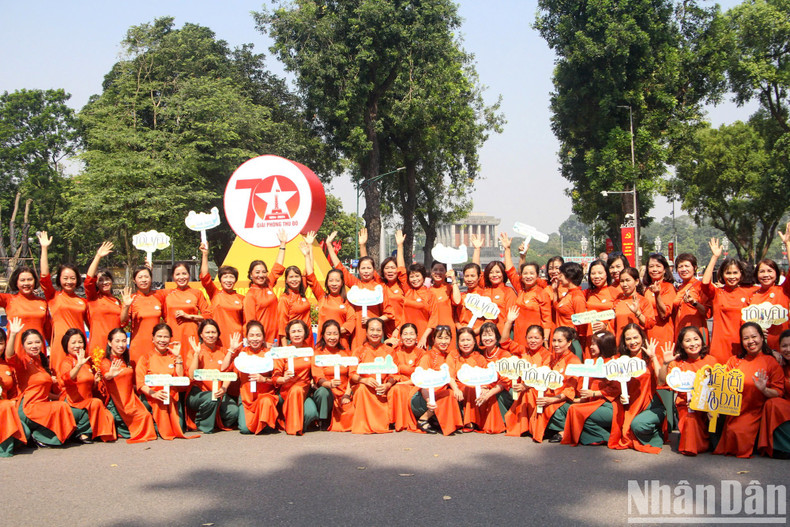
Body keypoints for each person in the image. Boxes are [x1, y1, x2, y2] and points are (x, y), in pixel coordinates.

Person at [713, 322, 783, 458]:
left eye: (754, 337)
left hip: (755, 411)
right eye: (746, 338)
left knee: (739, 433)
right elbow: (720, 386)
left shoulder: (771, 362)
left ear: (762, 338)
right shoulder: (734, 361)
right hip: (734, 411)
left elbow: (778, 392)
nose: (751, 341)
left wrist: (764, 390)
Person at [6, 319, 76, 447]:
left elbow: (43, 392)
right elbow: (9, 355)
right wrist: (13, 335)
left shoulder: (41, 362)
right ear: (23, 345)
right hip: (28, 406)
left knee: (62, 406)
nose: (34, 345)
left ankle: (40, 436)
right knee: (59, 408)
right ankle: (40, 437)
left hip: (41, 404)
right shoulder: (23, 362)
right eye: (30, 343)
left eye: (37, 342)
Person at [326, 230, 392, 349]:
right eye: (363, 268)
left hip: (374, 334)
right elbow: (340, 268)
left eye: (369, 268)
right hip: (356, 333)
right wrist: (329, 245)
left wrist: (374, 320)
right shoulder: (355, 285)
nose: (366, 271)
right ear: (359, 270)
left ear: (373, 270)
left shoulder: (379, 288)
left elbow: (389, 314)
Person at [658, 326, 717, 455]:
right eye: (688, 341)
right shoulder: (677, 363)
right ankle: (690, 443)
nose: (693, 344)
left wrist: (709, 406)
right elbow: (662, 382)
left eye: (696, 339)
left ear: (702, 341)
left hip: (707, 406)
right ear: (682, 345)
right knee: (690, 420)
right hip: (685, 405)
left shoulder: (711, 361)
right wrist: (665, 364)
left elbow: (717, 387)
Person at [608, 324, 666, 454]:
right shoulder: (620, 360)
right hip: (628, 405)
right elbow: (616, 386)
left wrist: (653, 357)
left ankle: (657, 434)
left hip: (650, 405)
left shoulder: (650, 357)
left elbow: (661, 381)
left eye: (636, 337)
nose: (633, 342)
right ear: (624, 341)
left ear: (642, 338)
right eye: (628, 339)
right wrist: (621, 395)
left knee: (637, 426)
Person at [37, 231, 89, 371]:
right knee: (60, 376)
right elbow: (44, 276)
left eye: (72, 278)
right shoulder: (53, 296)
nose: (69, 281)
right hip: (60, 345)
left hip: (79, 344)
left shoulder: (83, 302)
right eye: (65, 278)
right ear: (59, 279)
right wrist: (44, 248)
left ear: (77, 279)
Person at [701, 238, 758, 363]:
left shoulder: (749, 292)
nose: (732, 277)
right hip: (719, 347)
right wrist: (714, 257)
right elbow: (705, 283)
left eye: (735, 273)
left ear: (741, 274)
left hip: (742, 345)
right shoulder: (717, 293)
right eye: (728, 273)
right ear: (722, 275)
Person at [56, 328, 117, 443]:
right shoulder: (67, 362)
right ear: (66, 345)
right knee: (96, 403)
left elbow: (89, 388)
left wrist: (95, 381)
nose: (77, 345)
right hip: (72, 402)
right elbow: (67, 378)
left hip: (86, 401)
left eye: (80, 342)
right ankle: (82, 432)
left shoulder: (87, 362)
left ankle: (89, 431)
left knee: (109, 415)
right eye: (73, 343)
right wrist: (78, 365)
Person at [135, 324, 193, 440]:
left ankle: (159, 426)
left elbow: (180, 378)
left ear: (170, 339)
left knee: (179, 428)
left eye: (166, 337)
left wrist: (179, 358)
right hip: (151, 397)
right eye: (159, 336)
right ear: (153, 339)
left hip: (172, 398)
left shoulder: (174, 356)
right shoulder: (145, 357)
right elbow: (140, 383)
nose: (162, 340)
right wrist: (154, 394)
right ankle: (155, 424)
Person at [562, 331, 620, 446]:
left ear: (603, 345)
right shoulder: (592, 362)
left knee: (576, 411)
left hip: (609, 405)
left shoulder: (613, 363)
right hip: (593, 403)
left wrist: (593, 394)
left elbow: (615, 390)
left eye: (594, 344)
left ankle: (606, 437)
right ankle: (597, 436)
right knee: (567, 407)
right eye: (591, 344)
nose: (591, 346)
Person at [525, 326, 581, 443]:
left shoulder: (573, 361)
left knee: (548, 407)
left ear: (569, 343)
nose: (556, 344)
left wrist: (550, 400)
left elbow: (569, 392)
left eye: (560, 341)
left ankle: (567, 430)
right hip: (552, 396)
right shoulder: (553, 358)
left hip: (565, 400)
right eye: (554, 341)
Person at [100, 328, 157, 443]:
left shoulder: (126, 361)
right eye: (117, 341)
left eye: (123, 341)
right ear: (110, 343)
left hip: (131, 399)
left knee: (145, 415)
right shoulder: (106, 362)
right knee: (143, 418)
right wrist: (111, 374)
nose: (121, 345)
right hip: (117, 403)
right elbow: (107, 375)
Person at [186, 319, 240, 433]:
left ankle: (215, 421)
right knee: (211, 398)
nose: (211, 335)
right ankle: (204, 426)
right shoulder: (195, 351)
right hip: (199, 394)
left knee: (234, 412)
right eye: (207, 332)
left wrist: (224, 389)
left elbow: (229, 373)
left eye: (213, 332)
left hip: (220, 392)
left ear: (218, 334)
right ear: (201, 334)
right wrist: (196, 355)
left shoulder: (223, 351)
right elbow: (191, 375)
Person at [303, 235, 356, 349]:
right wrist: (309, 250)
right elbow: (311, 276)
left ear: (342, 283)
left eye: (337, 280)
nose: (334, 283)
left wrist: (333, 333)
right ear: (327, 283)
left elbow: (351, 322)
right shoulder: (322, 297)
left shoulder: (347, 302)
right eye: (331, 280)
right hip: (323, 347)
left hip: (342, 346)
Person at [410, 325, 464, 435]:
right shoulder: (427, 356)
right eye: (440, 338)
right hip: (423, 395)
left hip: (441, 393)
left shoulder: (451, 355)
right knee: (447, 394)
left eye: (446, 338)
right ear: (434, 339)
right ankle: (423, 419)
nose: (443, 341)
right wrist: (429, 401)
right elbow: (422, 383)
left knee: (449, 393)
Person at [227, 321, 277, 435]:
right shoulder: (242, 353)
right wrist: (231, 350)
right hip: (246, 398)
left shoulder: (270, 353)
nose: (255, 339)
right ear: (247, 338)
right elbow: (225, 368)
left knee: (266, 406)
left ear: (263, 337)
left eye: (258, 335)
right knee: (245, 429)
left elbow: (277, 379)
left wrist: (264, 379)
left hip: (265, 396)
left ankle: (267, 419)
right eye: (252, 335)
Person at [502, 234, 552, 348]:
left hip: (535, 339)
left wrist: (545, 339)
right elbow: (510, 271)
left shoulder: (542, 293)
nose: (528, 276)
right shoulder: (521, 289)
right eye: (525, 273)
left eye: (531, 273)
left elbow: (546, 319)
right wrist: (507, 249)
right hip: (519, 337)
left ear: (537, 275)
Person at [349, 318, 395, 434]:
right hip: (365, 386)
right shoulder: (359, 351)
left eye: (378, 330)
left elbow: (394, 374)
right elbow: (352, 373)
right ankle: (363, 425)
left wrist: (387, 385)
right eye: (372, 330)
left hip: (382, 388)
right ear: (366, 332)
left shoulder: (389, 351)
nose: (375, 333)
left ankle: (381, 423)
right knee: (361, 390)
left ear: (383, 332)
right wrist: (364, 380)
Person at [272, 320, 318, 435]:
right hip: (286, 391)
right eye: (293, 332)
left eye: (299, 331)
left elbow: (316, 371)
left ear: (305, 333)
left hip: (304, 391)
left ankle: (298, 423)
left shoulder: (310, 351)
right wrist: (283, 378)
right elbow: (275, 376)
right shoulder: (283, 352)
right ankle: (293, 423)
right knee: (294, 390)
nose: (296, 334)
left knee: (311, 413)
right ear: (289, 334)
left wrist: (315, 380)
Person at [746, 229, 790, 350]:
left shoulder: (783, 290)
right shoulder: (752, 295)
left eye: (770, 271)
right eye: (762, 271)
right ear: (756, 274)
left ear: (777, 274)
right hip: (760, 350)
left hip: (784, 348)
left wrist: (787, 244)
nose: (766, 275)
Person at [243, 229, 287, 347]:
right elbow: (250, 323)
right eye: (257, 272)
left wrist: (282, 245)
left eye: (263, 272)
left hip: (276, 337)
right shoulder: (250, 296)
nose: (261, 275)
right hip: (263, 341)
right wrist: (260, 342)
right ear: (251, 275)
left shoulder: (268, 284)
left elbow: (277, 268)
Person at [311, 320, 355, 432]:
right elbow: (318, 377)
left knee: (351, 414)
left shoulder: (345, 353)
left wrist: (346, 394)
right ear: (323, 335)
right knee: (323, 392)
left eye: (335, 334)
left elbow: (352, 375)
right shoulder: (318, 353)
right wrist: (329, 384)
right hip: (328, 392)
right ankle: (324, 419)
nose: (332, 337)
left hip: (344, 393)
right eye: (329, 334)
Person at [199, 242, 244, 348]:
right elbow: (205, 277)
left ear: (236, 280)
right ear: (220, 279)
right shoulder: (215, 293)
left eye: (231, 277)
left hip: (237, 340)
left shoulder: (242, 299)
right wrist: (205, 254)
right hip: (218, 340)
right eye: (225, 277)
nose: (228, 280)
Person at [163, 262, 211, 360]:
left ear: (189, 275)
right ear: (173, 276)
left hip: (191, 337)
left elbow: (208, 315)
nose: (181, 277)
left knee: (191, 365)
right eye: (177, 274)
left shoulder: (197, 293)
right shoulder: (166, 294)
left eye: (184, 274)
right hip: (173, 338)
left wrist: (189, 316)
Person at [121, 265, 165, 366]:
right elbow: (123, 322)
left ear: (151, 278)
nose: (144, 280)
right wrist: (126, 306)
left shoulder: (159, 296)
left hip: (157, 346)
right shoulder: (132, 299)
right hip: (138, 347)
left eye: (146, 277)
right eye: (140, 277)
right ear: (134, 280)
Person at [396, 242, 438, 349]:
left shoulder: (430, 294)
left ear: (423, 277)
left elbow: (433, 319)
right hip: (405, 334)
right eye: (412, 276)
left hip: (422, 335)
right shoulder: (408, 290)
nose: (414, 279)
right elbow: (401, 269)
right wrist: (400, 245)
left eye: (417, 276)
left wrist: (424, 337)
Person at [0, 266, 49, 356]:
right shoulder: (8, 299)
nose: (26, 283)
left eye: (29, 280)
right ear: (16, 282)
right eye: (22, 280)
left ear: (35, 281)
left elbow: (48, 330)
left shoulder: (42, 302)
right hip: (15, 352)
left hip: (38, 352)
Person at [84, 242, 122, 352]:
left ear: (111, 281)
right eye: (100, 280)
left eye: (107, 279)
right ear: (96, 283)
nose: (104, 282)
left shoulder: (117, 301)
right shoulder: (93, 298)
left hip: (116, 347)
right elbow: (88, 281)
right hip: (98, 345)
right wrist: (98, 256)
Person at [758, 329, 790, 457]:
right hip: (787, 404)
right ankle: (781, 448)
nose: (788, 349)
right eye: (784, 346)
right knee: (772, 404)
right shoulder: (779, 364)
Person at [388, 323, 422, 432]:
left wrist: (404, 383)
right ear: (401, 337)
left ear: (417, 336)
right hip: (397, 383)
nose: (408, 337)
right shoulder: (395, 352)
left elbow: (422, 376)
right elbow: (393, 372)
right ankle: (391, 420)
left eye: (411, 334)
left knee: (398, 389)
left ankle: (401, 422)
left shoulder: (422, 353)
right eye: (405, 334)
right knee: (394, 389)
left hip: (415, 385)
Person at [551, 262, 587, 358]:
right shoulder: (568, 294)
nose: (559, 278)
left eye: (561, 275)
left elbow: (582, 325)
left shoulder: (577, 297)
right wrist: (554, 291)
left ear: (569, 276)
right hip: (561, 342)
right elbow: (558, 307)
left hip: (571, 343)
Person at [0, 326, 26, 456]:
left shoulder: (8, 366)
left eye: (0, 343)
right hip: (4, 408)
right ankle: (4, 451)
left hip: (6, 408)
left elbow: (13, 392)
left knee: (24, 431)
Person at [672, 253, 709, 341]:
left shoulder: (700, 286)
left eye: (687, 266)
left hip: (696, 333)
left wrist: (694, 303)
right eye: (680, 266)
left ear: (695, 267)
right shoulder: (679, 288)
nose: (684, 269)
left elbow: (707, 312)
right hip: (681, 331)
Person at [612, 267, 655, 339]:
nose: (624, 284)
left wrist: (637, 313)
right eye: (622, 281)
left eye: (628, 280)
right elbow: (612, 327)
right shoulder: (617, 302)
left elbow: (650, 324)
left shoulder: (643, 301)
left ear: (637, 281)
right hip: (620, 345)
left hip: (637, 344)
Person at [584, 260, 616, 339]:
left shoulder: (615, 292)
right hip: (590, 336)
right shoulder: (587, 293)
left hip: (607, 338)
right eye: (593, 273)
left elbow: (619, 318)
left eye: (600, 273)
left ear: (606, 274)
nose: (596, 276)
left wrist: (606, 326)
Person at [456, 262, 486, 334]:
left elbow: (490, 319)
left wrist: (475, 331)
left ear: (479, 277)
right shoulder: (461, 296)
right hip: (463, 336)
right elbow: (455, 316)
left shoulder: (485, 295)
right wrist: (459, 327)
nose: (469, 279)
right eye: (466, 276)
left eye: (473, 276)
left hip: (480, 335)